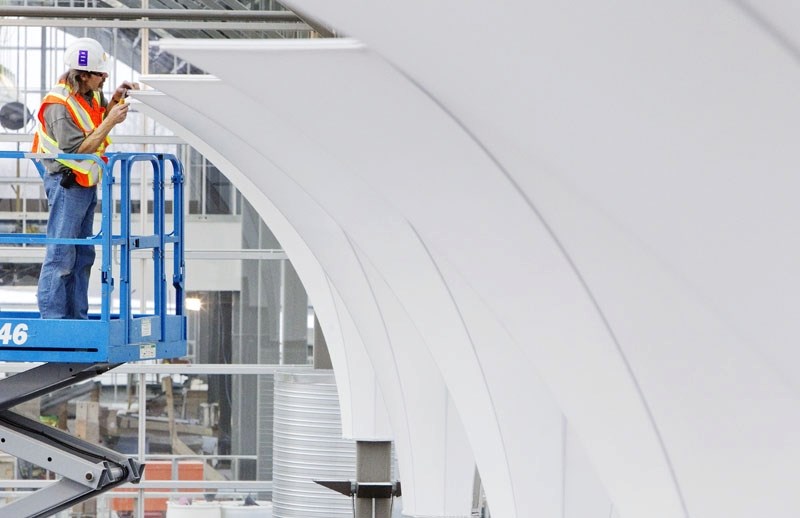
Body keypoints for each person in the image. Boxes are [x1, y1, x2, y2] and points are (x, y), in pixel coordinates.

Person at [32, 37, 139, 319]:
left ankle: (76, 318)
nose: (105, 77)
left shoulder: (88, 95)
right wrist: (111, 121)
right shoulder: (59, 105)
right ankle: (53, 320)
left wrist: (115, 99)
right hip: (66, 184)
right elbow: (77, 152)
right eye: (100, 74)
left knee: (82, 256)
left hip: (84, 183)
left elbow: (94, 123)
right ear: (82, 75)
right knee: (61, 254)